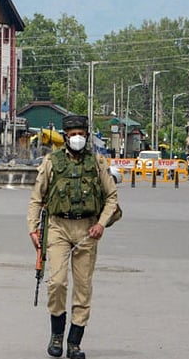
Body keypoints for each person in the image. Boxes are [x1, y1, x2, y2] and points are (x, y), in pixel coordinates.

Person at [28, 114, 119, 359]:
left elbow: (111, 197)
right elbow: (37, 197)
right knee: (57, 282)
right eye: (72, 134)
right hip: (57, 227)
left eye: (81, 133)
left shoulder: (97, 162)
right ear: (65, 136)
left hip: (87, 230)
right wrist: (32, 228)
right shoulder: (52, 162)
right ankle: (56, 335)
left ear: (86, 135)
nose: (77, 137)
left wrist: (101, 224)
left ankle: (74, 342)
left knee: (82, 287)